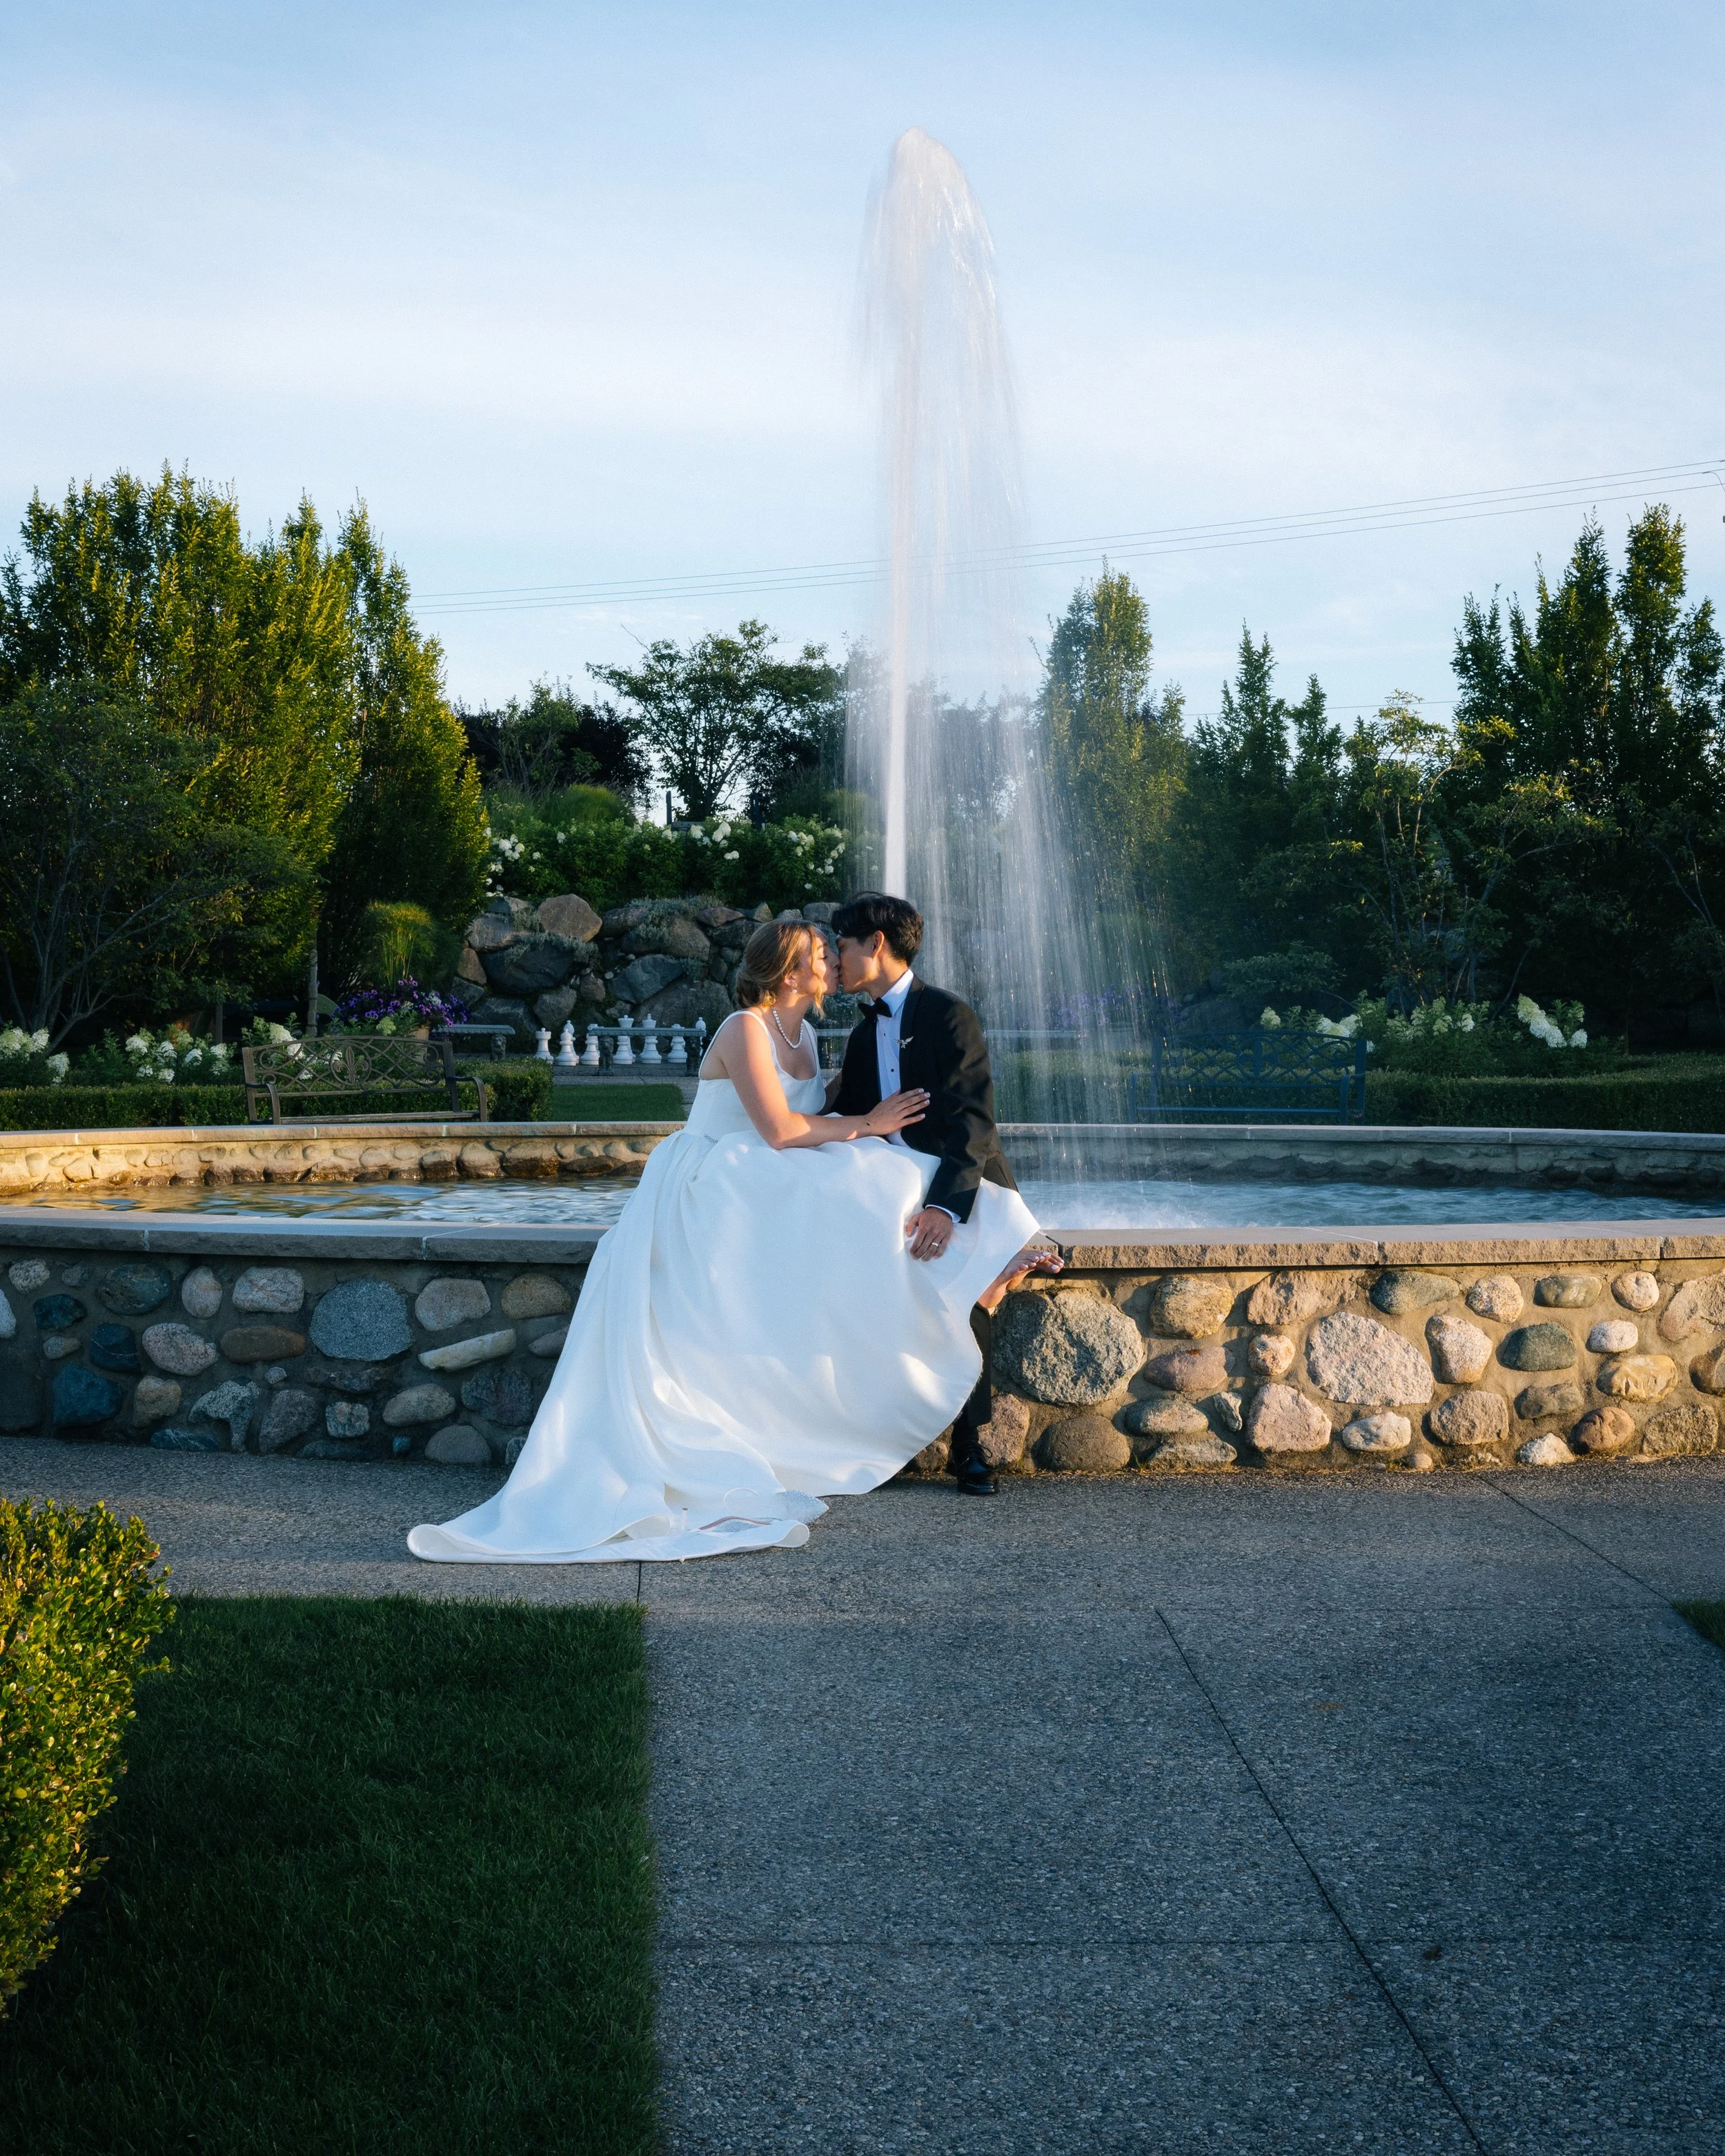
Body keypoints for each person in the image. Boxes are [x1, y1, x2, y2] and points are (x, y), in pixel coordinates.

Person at [408, 915, 1050, 1565]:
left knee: (885, 1177)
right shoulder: (746, 1026)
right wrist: (870, 1122)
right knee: (865, 1180)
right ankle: (983, 1266)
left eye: (834, 951)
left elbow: (824, 1113)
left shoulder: (807, 1033)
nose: (832, 961)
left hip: (761, 1169)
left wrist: (872, 1125)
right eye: (820, 954)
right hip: (714, 1175)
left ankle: (993, 1253)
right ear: (789, 970)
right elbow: (778, 1128)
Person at [827, 892, 1033, 1496]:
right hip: (895, 1192)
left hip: (964, 1183)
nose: (837, 958)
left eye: (844, 945)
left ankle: (970, 1448)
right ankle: (886, 1441)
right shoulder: (864, 1036)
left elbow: (976, 1121)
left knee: (965, 1293)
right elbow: (848, 1118)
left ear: (877, 945)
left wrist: (945, 1206)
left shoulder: (948, 1014)